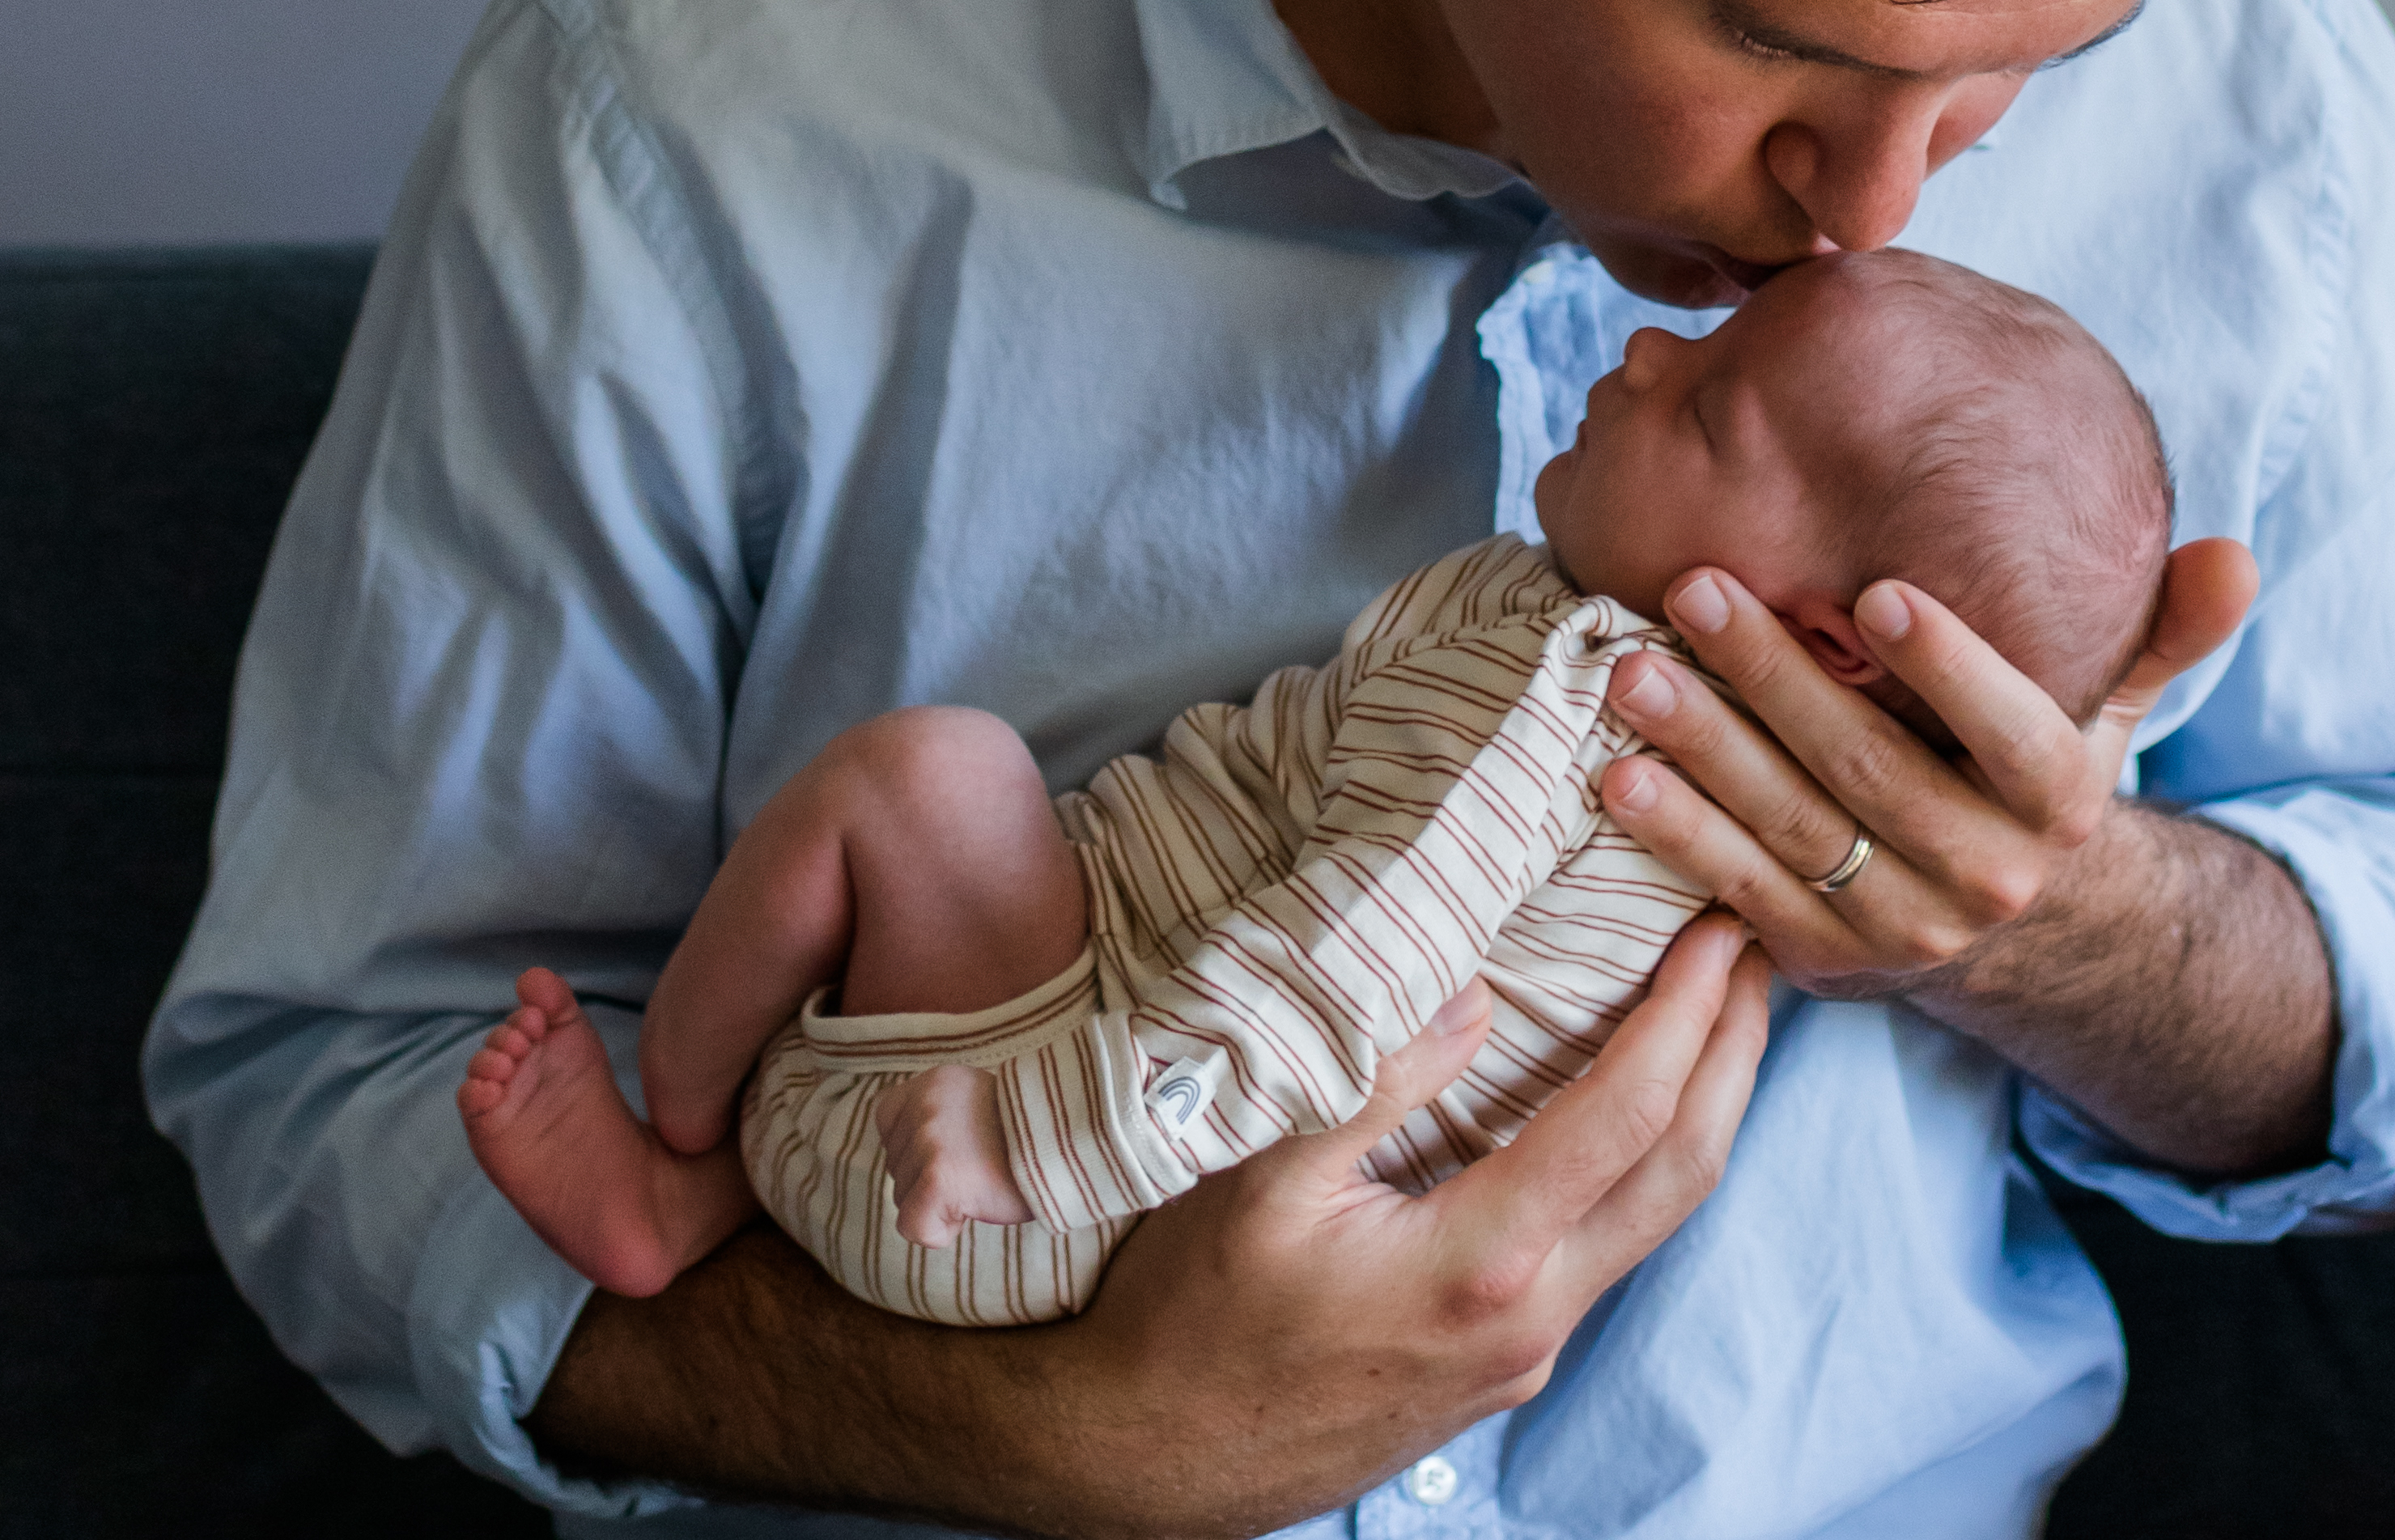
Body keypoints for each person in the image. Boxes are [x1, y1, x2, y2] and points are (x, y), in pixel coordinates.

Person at [147, 0, 2395, 1535]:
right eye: (1774, 45)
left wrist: (2063, 919)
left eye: (2023, 87)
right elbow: (333, 1088)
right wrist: (1029, 1434)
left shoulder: (2263, 85)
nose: (1875, 216)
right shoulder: (694, 81)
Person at [458, 252, 2173, 1327]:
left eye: (1711, 410)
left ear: (1825, 643)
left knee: (928, 777)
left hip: (1051, 1170)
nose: (1647, 355)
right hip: (1119, 1134)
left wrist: (1028, 1138)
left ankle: (681, 1151)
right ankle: (715, 1187)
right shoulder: (1695, 758)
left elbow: (1343, 976)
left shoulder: (1566, 706)